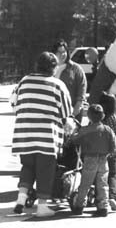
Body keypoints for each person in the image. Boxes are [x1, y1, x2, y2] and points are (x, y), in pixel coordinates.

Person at [11, 52, 74, 217]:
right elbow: (67, 112)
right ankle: (43, 207)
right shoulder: (57, 85)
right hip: (47, 137)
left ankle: (20, 199)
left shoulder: (24, 81)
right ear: (53, 68)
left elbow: (13, 103)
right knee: (45, 170)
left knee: (28, 166)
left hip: (24, 135)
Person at [69, 104, 116, 216]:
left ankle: (79, 206)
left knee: (85, 183)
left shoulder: (85, 130)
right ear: (103, 115)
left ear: (89, 117)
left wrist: (72, 133)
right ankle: (103, 207)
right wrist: (109, 153)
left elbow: (75, 139)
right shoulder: (107, 130)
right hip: (103, 159)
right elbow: (114, 145)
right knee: (103, 184)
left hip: (90, 159)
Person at [52, 39, 87, 170]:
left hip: (72, 113)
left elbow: (81, 93)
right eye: (59, 52)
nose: (63, 55)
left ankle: (70, 172)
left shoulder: (76, 69)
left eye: (64, 51)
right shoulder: (49, 69)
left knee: (71, 146)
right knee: (55, 145)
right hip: (54, 114)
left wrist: (73, 113)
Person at [99, 91, 116, 211]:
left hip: (97, 152)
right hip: (112, 152)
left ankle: (99, 196)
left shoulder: (97, 118)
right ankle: (112, 196)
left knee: (100, 174)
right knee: (112, 174)